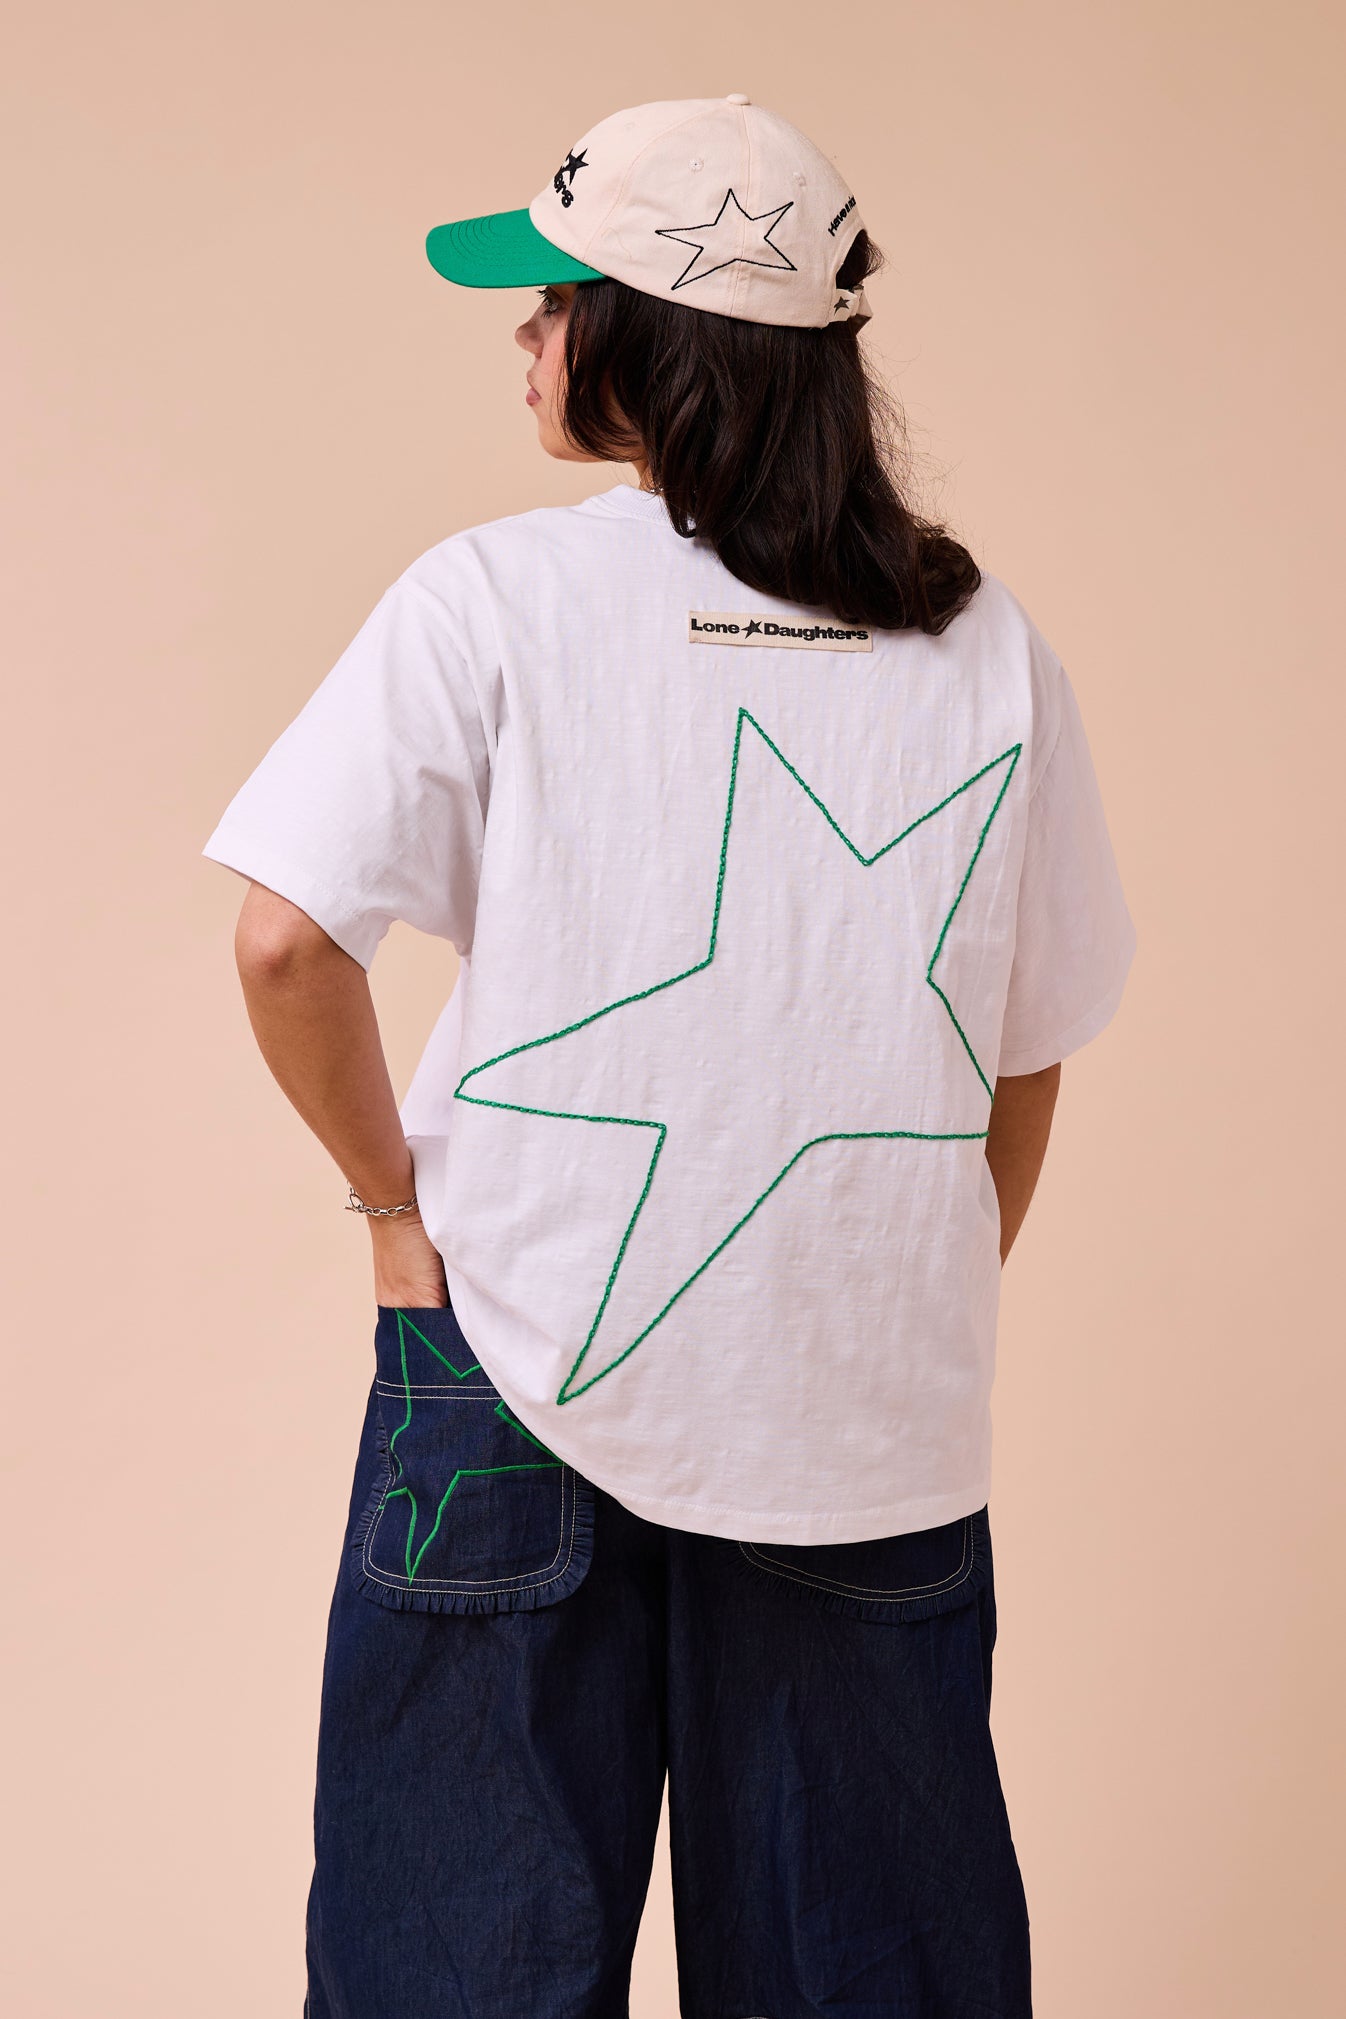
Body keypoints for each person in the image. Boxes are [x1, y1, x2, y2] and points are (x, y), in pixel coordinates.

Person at [203, 94, 1134, 2019]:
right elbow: (1027, 1047)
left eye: (551, 301)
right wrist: (899, 1282)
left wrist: (391, 1216)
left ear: (645, 337)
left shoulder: (493, 598)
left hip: (511, 1361)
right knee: (867, 1976)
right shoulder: (981, 642)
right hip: (860, 1417)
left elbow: (286, 940)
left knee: (456, 1973)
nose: (523, 335)